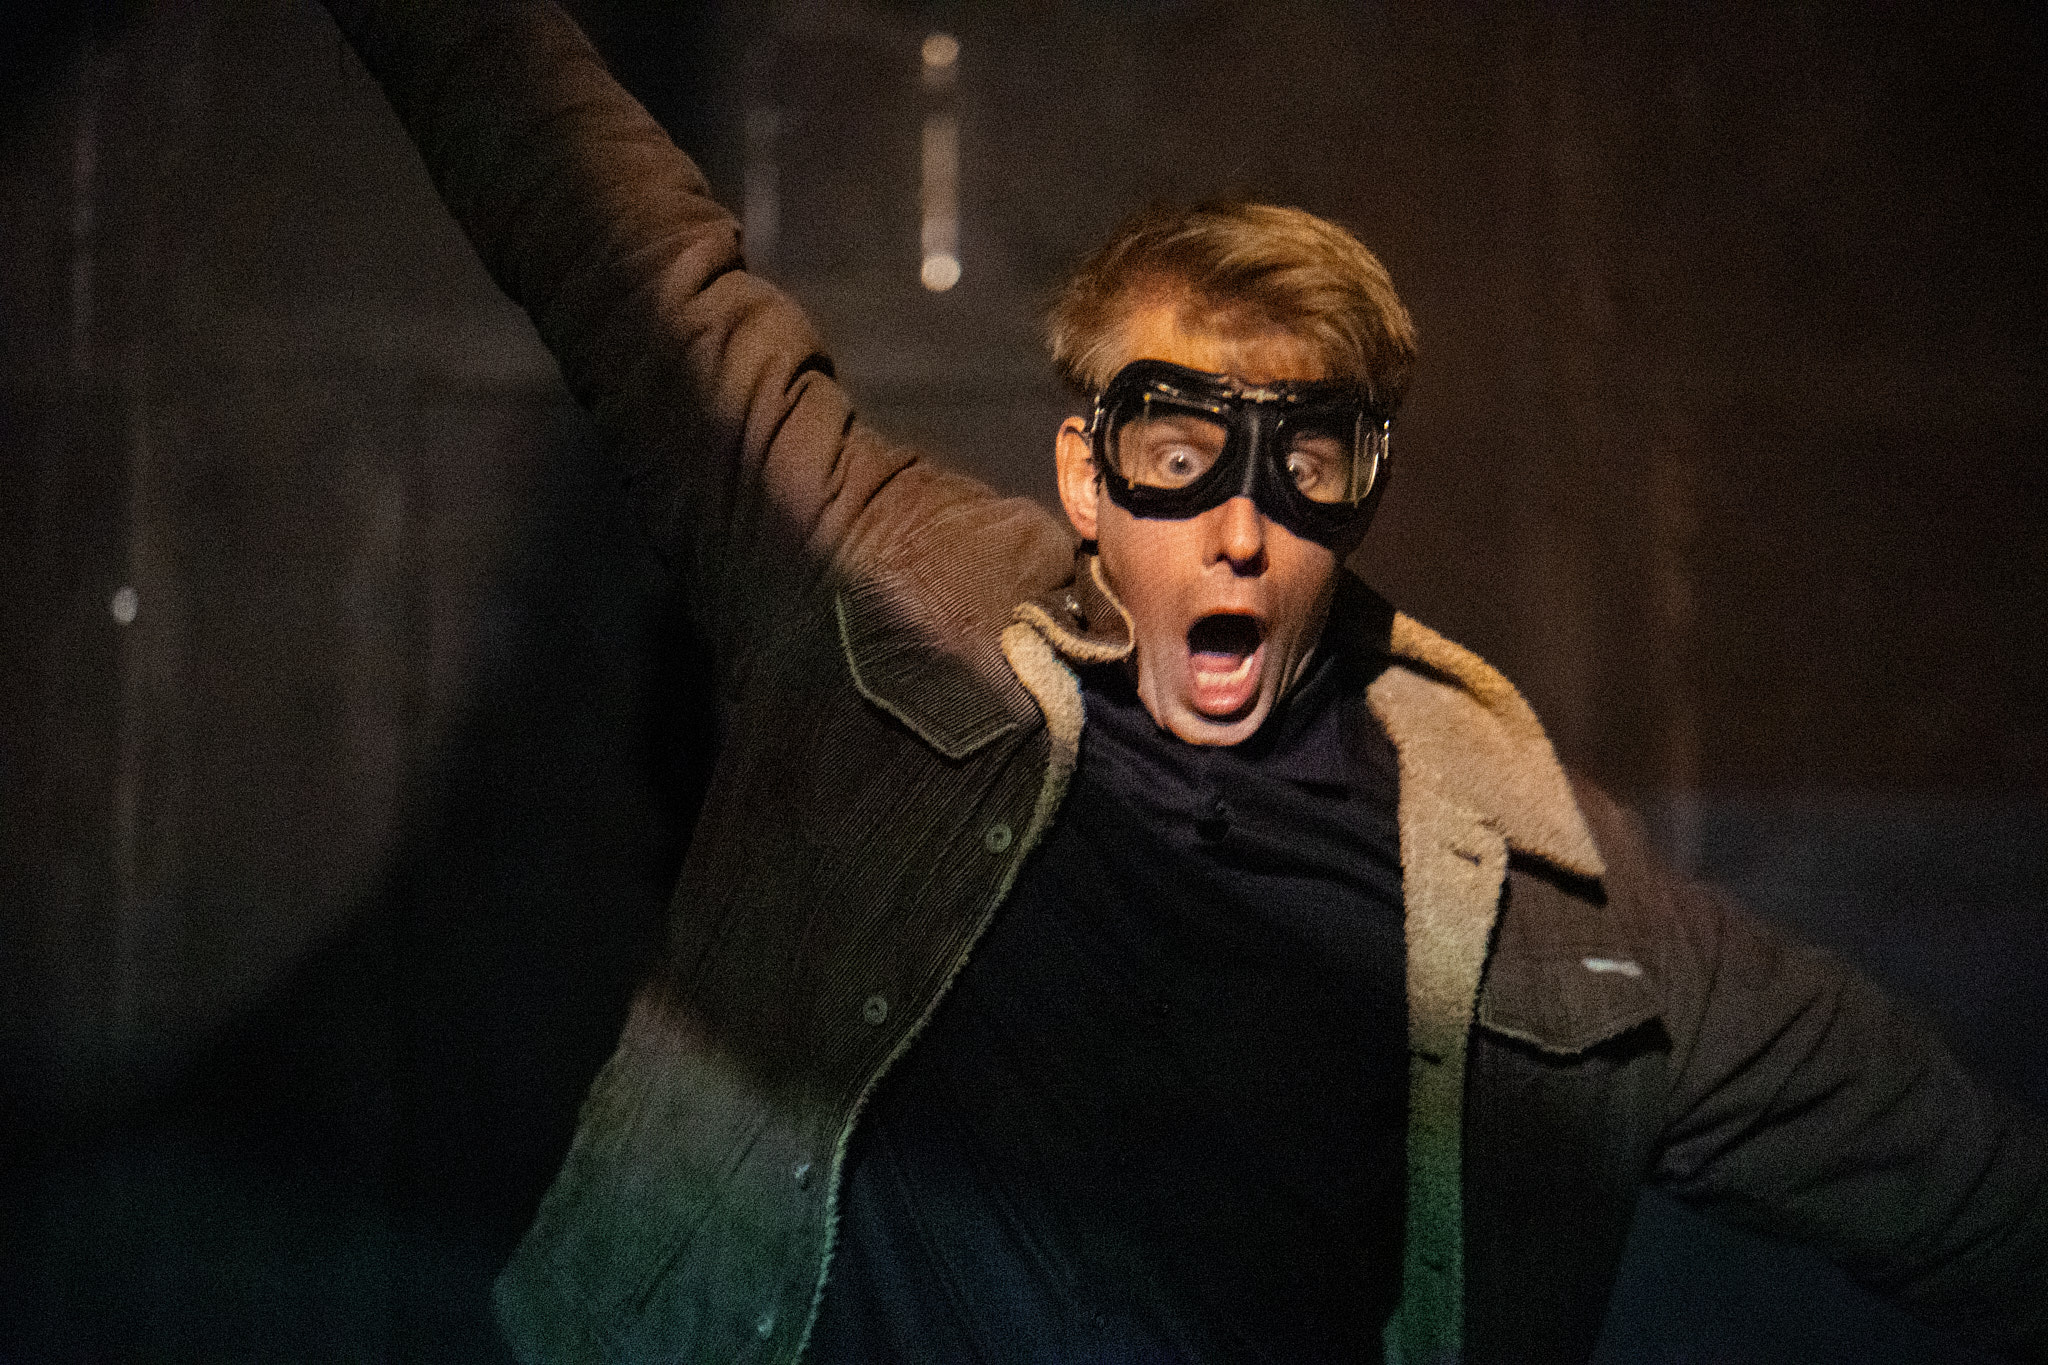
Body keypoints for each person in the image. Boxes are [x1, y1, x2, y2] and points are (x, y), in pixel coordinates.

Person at [319, 2, 2048, 1362]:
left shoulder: (1539, 896)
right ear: (1087, 473)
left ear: (1360, 489)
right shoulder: (888, 598)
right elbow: (620, 246)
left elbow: (1932, 1165)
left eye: (1303, 462)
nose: (1237, 524)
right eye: (1178, 449)